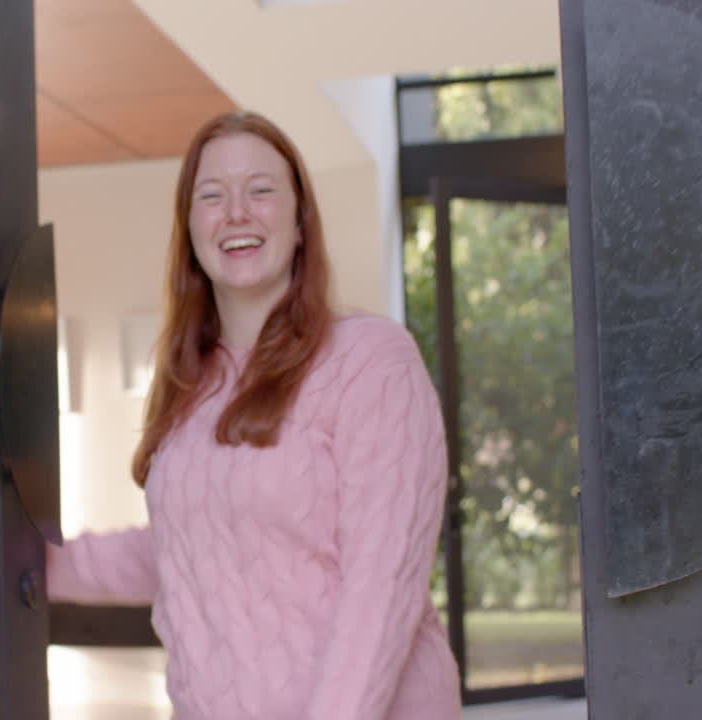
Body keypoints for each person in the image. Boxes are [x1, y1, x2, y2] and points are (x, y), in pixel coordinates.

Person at [46, 110, 460, 719]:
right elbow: (180, 549)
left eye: (261, 190)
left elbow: (382, 589)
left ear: (299, 224)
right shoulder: (191, 383)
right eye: (212, 196)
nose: (237, 211)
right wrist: (32, 562)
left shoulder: (372, 361)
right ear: (190, 231)